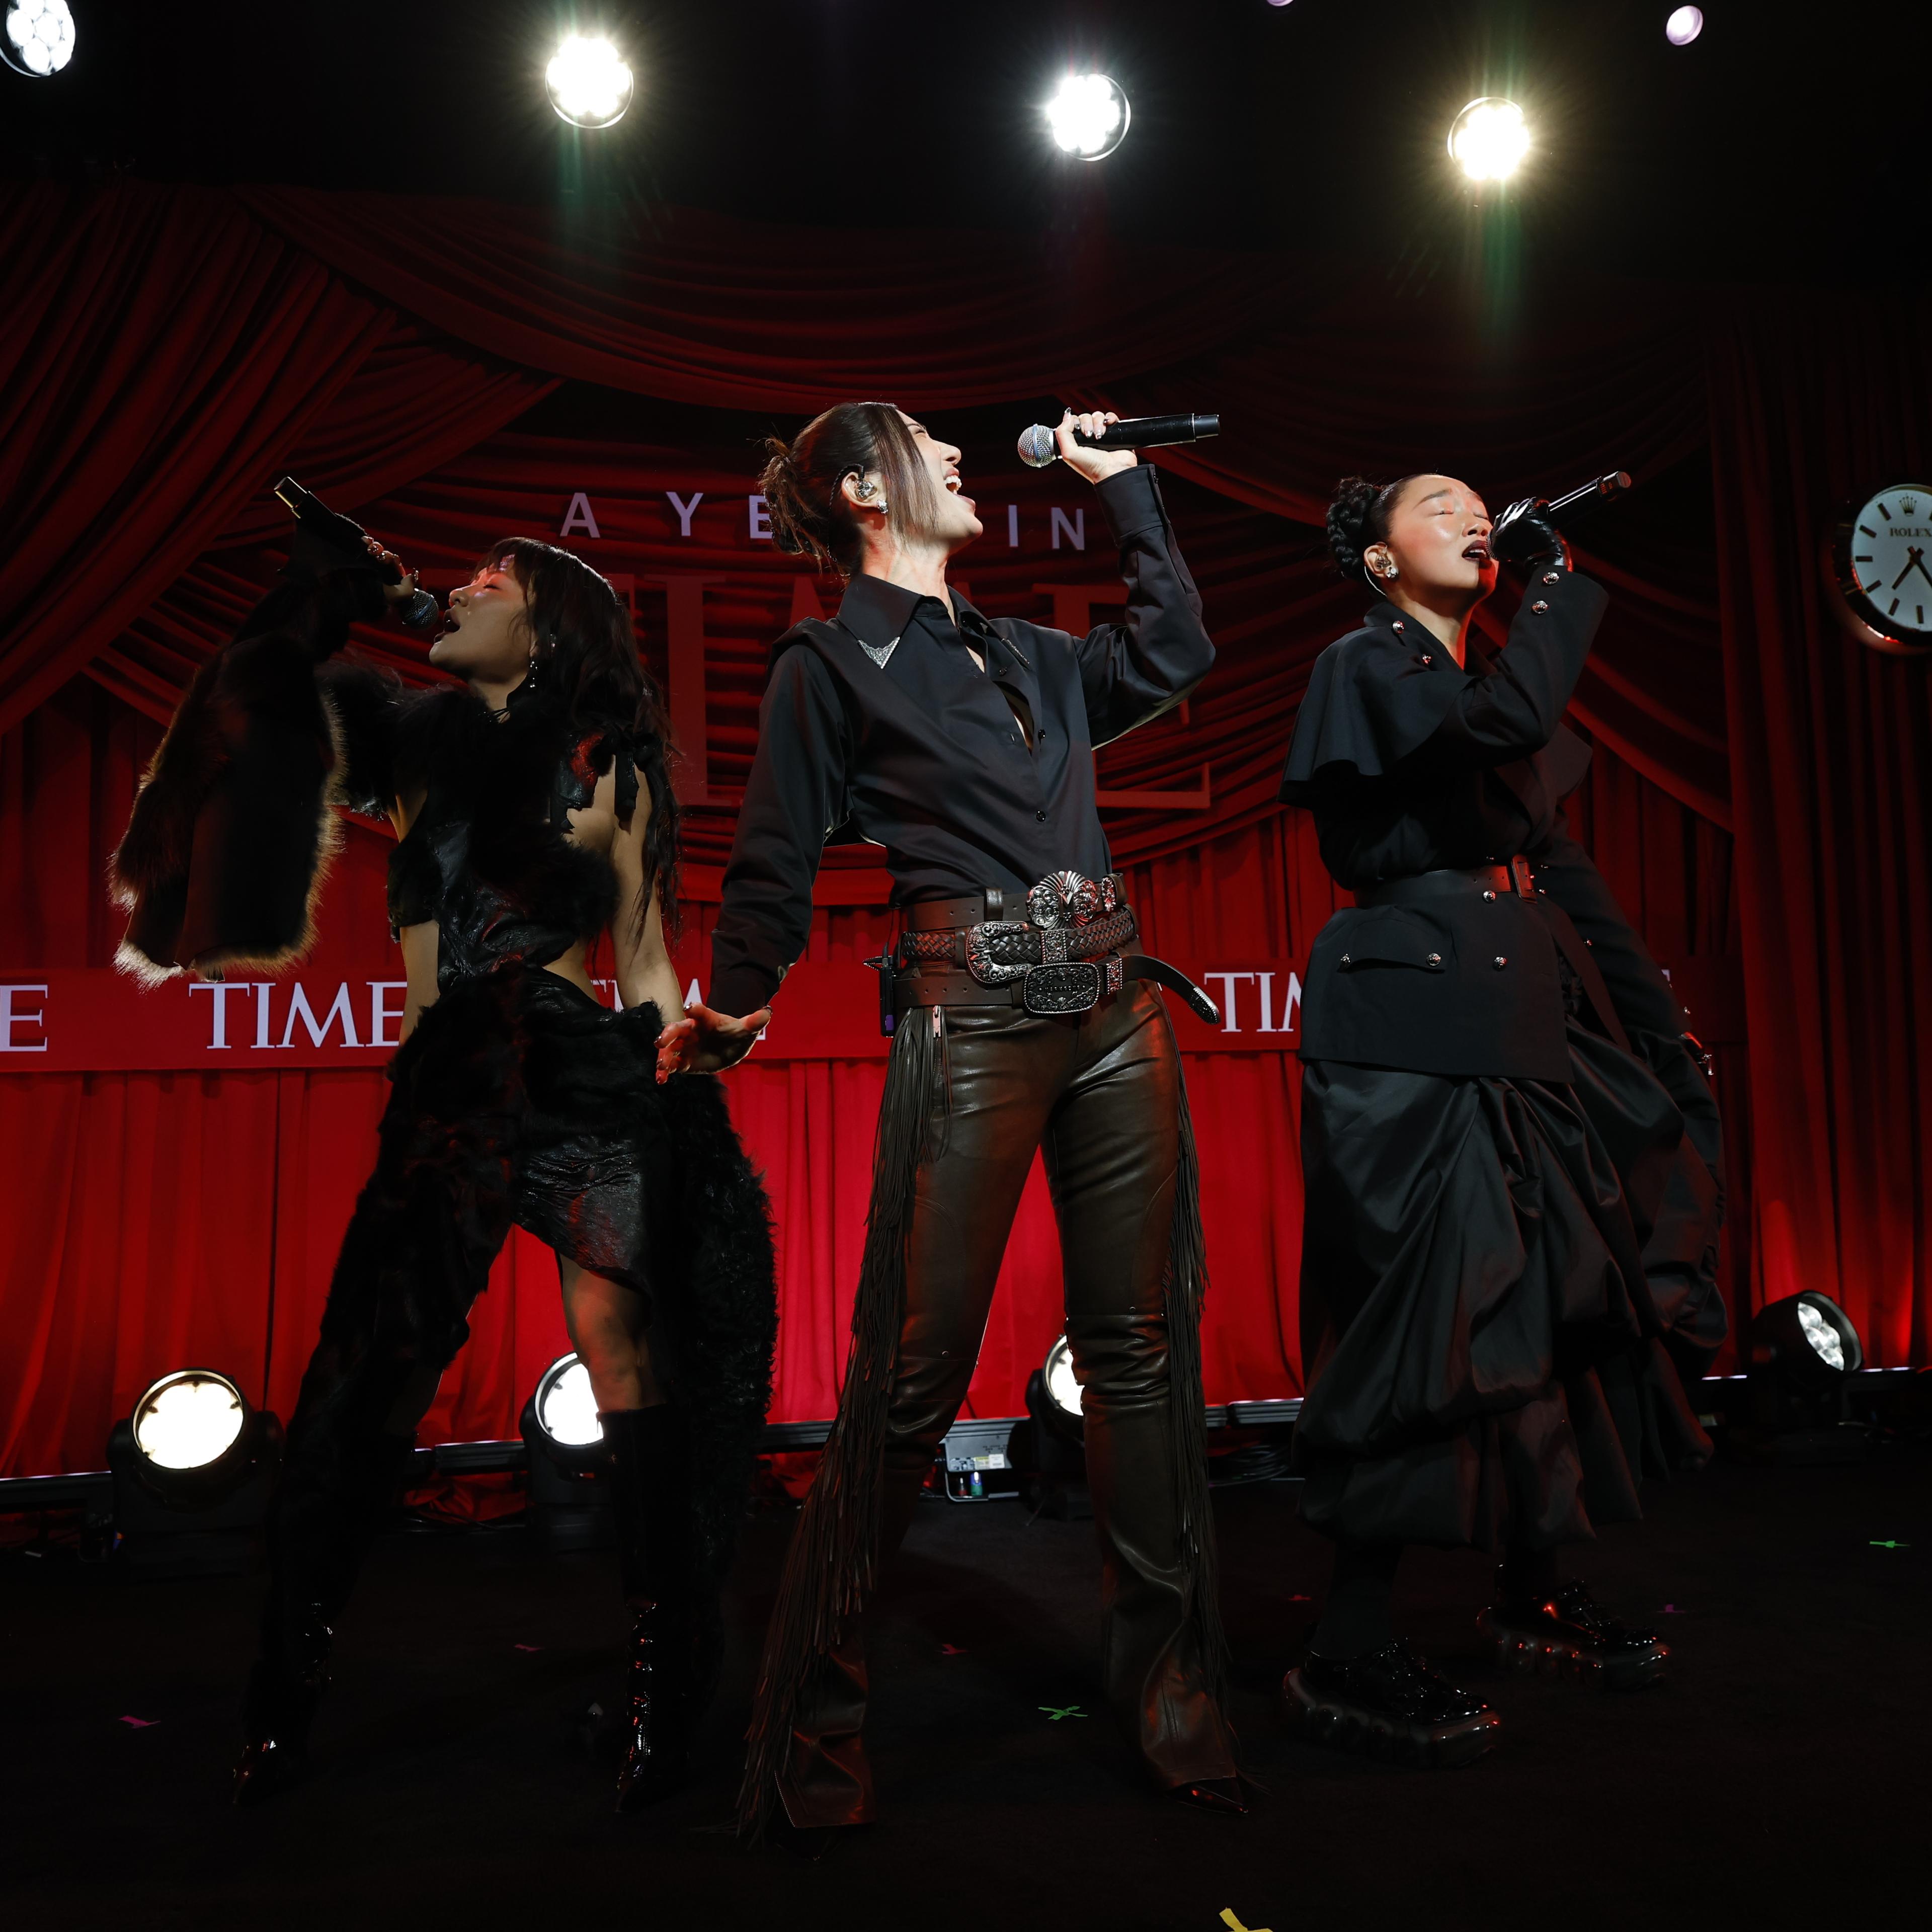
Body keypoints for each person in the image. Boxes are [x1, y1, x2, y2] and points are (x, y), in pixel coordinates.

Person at [109, 507, 777, 1809]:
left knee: (631, 1355)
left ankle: (663, 1700)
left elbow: (643, 960)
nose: (463, 587)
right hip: (453, 1089)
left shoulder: (612, 769)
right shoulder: (414, 743)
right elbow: (256, 721)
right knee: (364, 1383)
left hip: (582, 1078)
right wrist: (335, 594)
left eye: (493, 578)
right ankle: (282, 1702)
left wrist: (699, 1052)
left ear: (551, 628)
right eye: (461, 577)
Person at [677, 403, 1247, 1844]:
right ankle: (812, 1721)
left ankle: (1176, 1700)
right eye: (926, 445)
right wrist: (734, 1000)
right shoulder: (827, 664)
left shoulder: (1030, 651)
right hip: (974, 1019)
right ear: (865, 492)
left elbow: (1176, 653)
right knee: (910, 1381)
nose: (957, 459)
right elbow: (774, 856)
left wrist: (1130, 489)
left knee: (1139, 1356)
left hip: (1117, 1007)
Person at [1275, 473, 1727, 1765]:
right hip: (1414, 1025)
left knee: (1553, 1302)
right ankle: (1347, 1645)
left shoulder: (1486, 690)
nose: (1473, 519)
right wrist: (1560, 582)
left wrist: (1656, 1028)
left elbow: (1558, 870)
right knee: (1433, 1319)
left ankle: (1533, 1585)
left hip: (1526, 1010)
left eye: (1481, 506)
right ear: (1378, 562)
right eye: (1439, 507)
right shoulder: (1368, 665)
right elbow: (1508, 715)